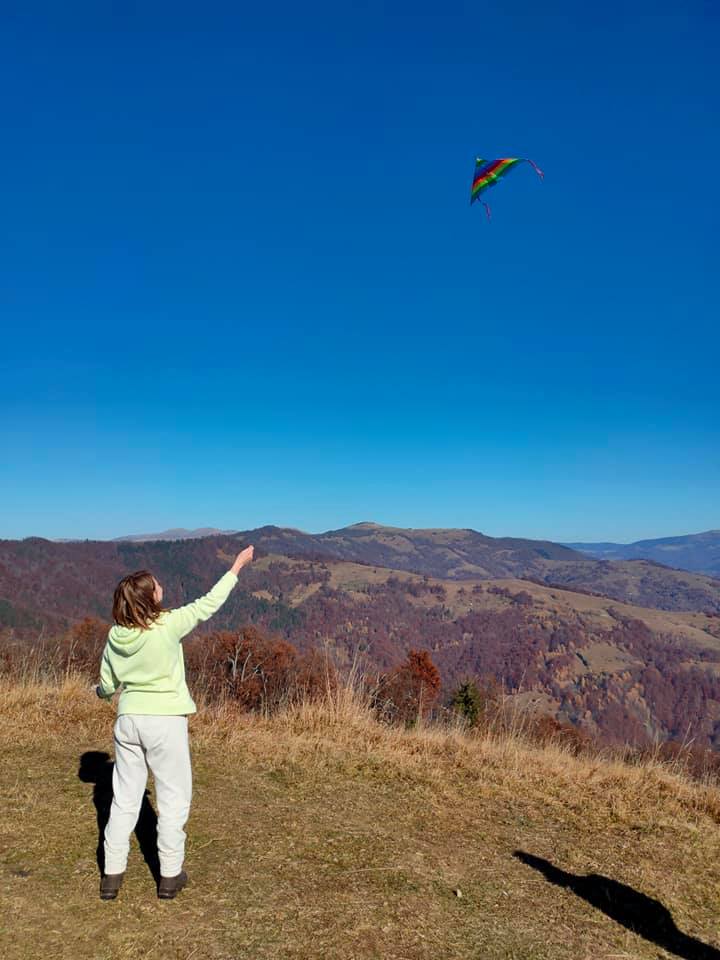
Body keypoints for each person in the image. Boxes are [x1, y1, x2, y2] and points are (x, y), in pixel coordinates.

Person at [93, 545, 254, 900]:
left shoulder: (115, 636)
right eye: (157, 585)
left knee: (123, 799)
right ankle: (169, 876)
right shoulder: (167, 625)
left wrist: (100, 693)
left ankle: (112, 877)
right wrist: (237, 567)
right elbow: (208, 604)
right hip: (165, 721)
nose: (162, 587)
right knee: (173, 798)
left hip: (128, 720)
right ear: (150, 598)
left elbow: (106, 686)